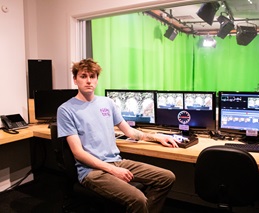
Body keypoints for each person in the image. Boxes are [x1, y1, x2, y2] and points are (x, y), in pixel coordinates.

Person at [57, 58, 179, 213]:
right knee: (138, 199)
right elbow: (78, 153)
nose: (88, 81)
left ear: (97, 79)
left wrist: (157, 137)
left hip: (117, 161)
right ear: (75, 79)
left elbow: (129, 132)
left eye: (92, 76)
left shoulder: (107, 103)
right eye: (83, 76)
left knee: (167, 177)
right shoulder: (66, 109)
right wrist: (113, 170)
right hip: (92, 172)